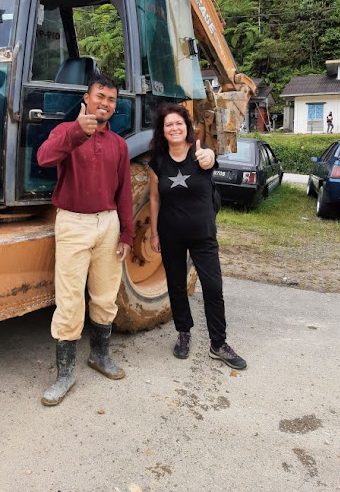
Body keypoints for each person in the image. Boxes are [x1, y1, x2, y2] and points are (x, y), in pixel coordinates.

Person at [37, 73, 133, 406]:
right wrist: (79, 131)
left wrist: (127, 233)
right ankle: (65, 374)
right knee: (70, 299)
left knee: (106, 295)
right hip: (73, 223)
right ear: (87, 99)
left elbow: (124, 195)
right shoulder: (66, 132)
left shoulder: (119, 145)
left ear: (114, 105)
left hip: (107, 223)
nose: (104, 103)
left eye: (111, 99)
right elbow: (44, 158)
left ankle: (99, 356)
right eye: (100, 96)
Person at [148, 103, 246, 369]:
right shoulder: (157, 162)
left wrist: (210, 156)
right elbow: (155, 199)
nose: (175, 128)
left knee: (213, 287)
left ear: (187, 127)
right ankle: (184, 332)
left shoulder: (201, 153)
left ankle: (218, 343)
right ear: (163, 130)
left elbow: (211, 160)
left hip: (203, 234)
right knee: (176, 286)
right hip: (170, 234)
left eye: (179, 123)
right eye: (169, 124)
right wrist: (154, 233)